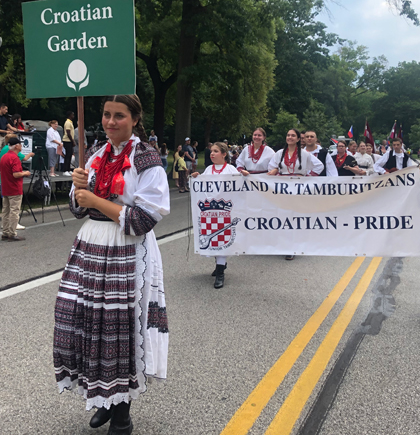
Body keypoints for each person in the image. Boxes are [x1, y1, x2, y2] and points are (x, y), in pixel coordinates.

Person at [53, 95, 170, 434]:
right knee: (85, 322)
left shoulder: (146, 158)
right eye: (106, 115)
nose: (110, 122)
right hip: (90, 245)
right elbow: (80, 209)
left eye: (119, 116)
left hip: (127, 249)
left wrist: (94, 200)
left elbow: (143, 219)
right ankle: (103, 397)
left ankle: (122, 411)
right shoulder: (96, 155)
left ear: (134, 119)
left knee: (119, 330)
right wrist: (78, 193)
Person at [268, 129, 324, 261]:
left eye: (293, 135)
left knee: (295, 216)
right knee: (284, 215)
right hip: (283, 188)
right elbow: (271, 167)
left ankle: (293, 246)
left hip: (298, 188)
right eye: (288, 135)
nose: (290, 137)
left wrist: (307, 178)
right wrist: (277, 171)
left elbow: (319, 166)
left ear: (299, 139)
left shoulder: (305, 154)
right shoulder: (279, 154)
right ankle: (285, 245)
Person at [192, 142, 240, 288]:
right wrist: (196, 177)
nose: (212, 154)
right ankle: (220, 264)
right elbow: (203, 187)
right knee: (213, 239)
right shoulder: (208, 169)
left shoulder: (231, 169)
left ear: (224, 154)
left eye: (216, 151)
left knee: (222, 239)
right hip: (211, 212)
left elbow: (240, 188)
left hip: (225, 211)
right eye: (211, 151)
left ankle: (220, 272)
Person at [0, 137, 31, 241]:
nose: (21, 146)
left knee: (5, 211)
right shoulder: (14, 158)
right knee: (14, 211)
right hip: (14, 188)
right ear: (17, 146)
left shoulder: (4, 157)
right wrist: (25, 173)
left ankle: (5, 232)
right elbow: (16, 174)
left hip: (5, 187)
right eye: (20, 144)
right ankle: (12, 233)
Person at [62, 111, 75, 175]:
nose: (73, 116)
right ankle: (65, 170)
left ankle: (68, 169)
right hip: (67, 140)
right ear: (70, 115)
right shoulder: (67, 122)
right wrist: (72, 141)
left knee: (70, 155)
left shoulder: (70, 122)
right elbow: (68, 132)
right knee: (67, 155)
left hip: (69, 141)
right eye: (72, 115)